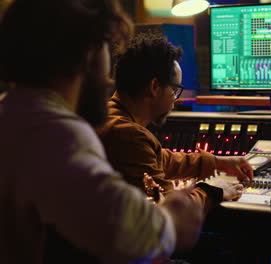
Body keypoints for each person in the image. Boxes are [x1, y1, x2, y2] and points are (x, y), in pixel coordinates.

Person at [0, 1, 204, 263]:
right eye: (108, 50)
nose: (110, 78)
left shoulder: (13, 115)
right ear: (89, 53)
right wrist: (176, 213)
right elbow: (134, 235)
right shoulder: (55, 132)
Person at [97, 32, 254, 215]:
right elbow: (171, 211)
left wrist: (217, 162)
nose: (176, 100)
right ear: (155, 87)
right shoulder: (130, 135)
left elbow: (159, 159)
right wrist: (215, 191)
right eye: (174, 90)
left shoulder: (109, 116)